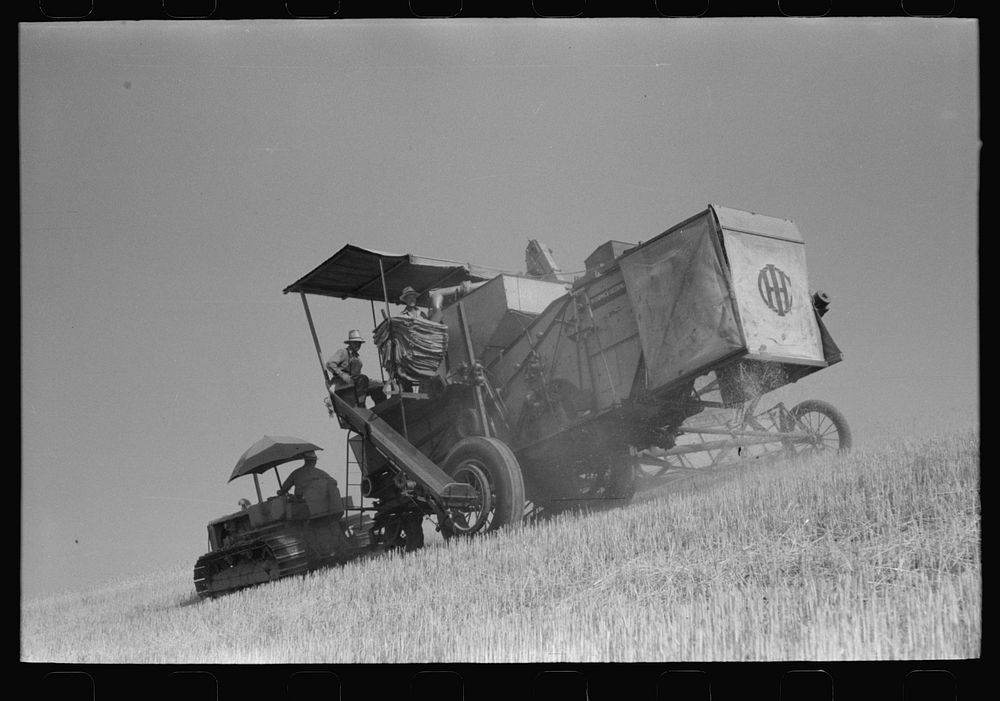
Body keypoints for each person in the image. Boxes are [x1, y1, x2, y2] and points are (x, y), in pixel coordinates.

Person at [276, 451, 344, 517]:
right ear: (314, 461)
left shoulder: (296, 473)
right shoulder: (321, 473)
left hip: (304, 508)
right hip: (321, 507)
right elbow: (334, 482)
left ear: (305, 460)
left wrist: (280, 492)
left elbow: (284, 489)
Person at [326, 329, 371, 407]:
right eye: (355, 342)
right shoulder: (343, 352)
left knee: (379, 385)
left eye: (359, 343)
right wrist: (342, 374)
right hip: (341, 382)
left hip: (354, 383)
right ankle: (361, 406)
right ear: (350, 343)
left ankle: (382, 411)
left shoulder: (358, 360)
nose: (358, 345)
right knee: (363, 379)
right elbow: (330, 363)